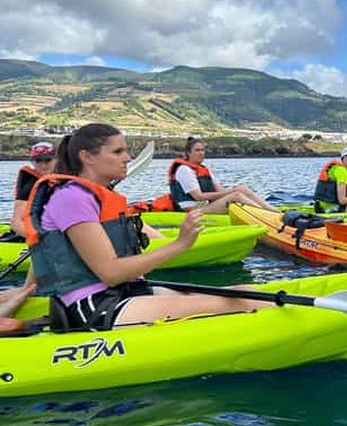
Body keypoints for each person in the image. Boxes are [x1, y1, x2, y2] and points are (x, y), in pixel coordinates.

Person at [24, 123, 278, 330]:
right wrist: (180, 244)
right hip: (93, 307)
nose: (128, 158)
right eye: (117, 152)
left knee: (241, 291)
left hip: (122, 292)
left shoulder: (93, 195)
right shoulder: (72, 198)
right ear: (87, 157)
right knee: (241, 304)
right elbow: (110, 272)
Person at [168, 136, 278, 215]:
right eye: (197, 150)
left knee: (242, 188)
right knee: (237, 196)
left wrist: (237, 189)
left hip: (205, 205)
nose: (201, 153)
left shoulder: (204, 170)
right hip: (191, 210)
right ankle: (266, 216)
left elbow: (220, 190)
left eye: (202, 150)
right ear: (188, 152)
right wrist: (233, 193)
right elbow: (198, 196)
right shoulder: (184, 170)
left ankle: (275, 212)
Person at [8, 141, 57, 239]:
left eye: (48, 160)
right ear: (32, 162)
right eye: (38, 161)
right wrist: (40, 240)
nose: (43, 165)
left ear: (56, 160)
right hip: (37, 235)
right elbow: (16, 222)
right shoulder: (30, 185)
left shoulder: (64, 180)